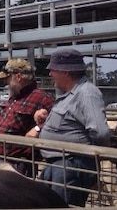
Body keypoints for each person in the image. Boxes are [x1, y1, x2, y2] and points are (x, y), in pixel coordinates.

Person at [34, 49, 112, 206]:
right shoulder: (70, 93)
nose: (50, 74)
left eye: (53, 70)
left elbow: (100, 132)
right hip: (60, 164)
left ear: (66, 72)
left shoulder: (87, 93)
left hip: (71, 165)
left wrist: (93, 155)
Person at [0, 58, 54, 176]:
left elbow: (57, 122)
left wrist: (39, 128)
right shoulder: (14, 97)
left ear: (18, 77)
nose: (6, 82)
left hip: (17, 163)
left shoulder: (42, 98)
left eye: (7, 78)